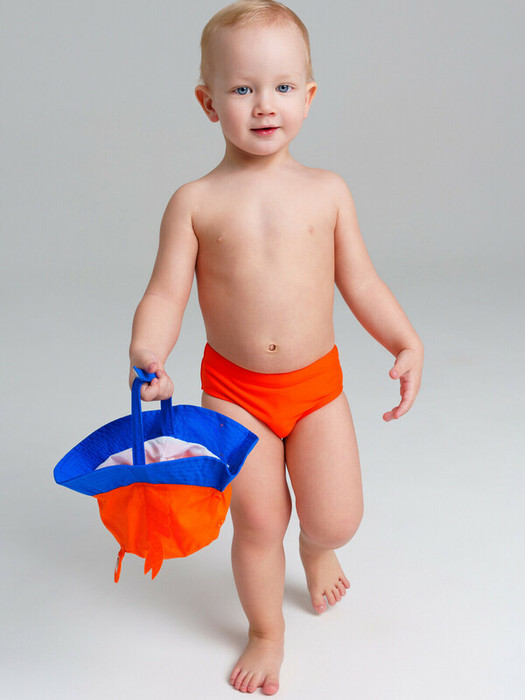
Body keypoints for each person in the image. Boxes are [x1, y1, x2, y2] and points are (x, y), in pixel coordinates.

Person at [129, 0, 423, 694]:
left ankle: (317, 552)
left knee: (336, 517)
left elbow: (361, 281)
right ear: (208, 103)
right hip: (234, 393)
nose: (265, 105)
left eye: (283, 86)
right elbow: (166, 294)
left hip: (315, 387)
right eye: (242, 88)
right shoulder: (194, 202)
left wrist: (403, 339)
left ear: (308, 97)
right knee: (259, 521)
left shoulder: (327, 192)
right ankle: (266, 631)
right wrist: (148, 354)